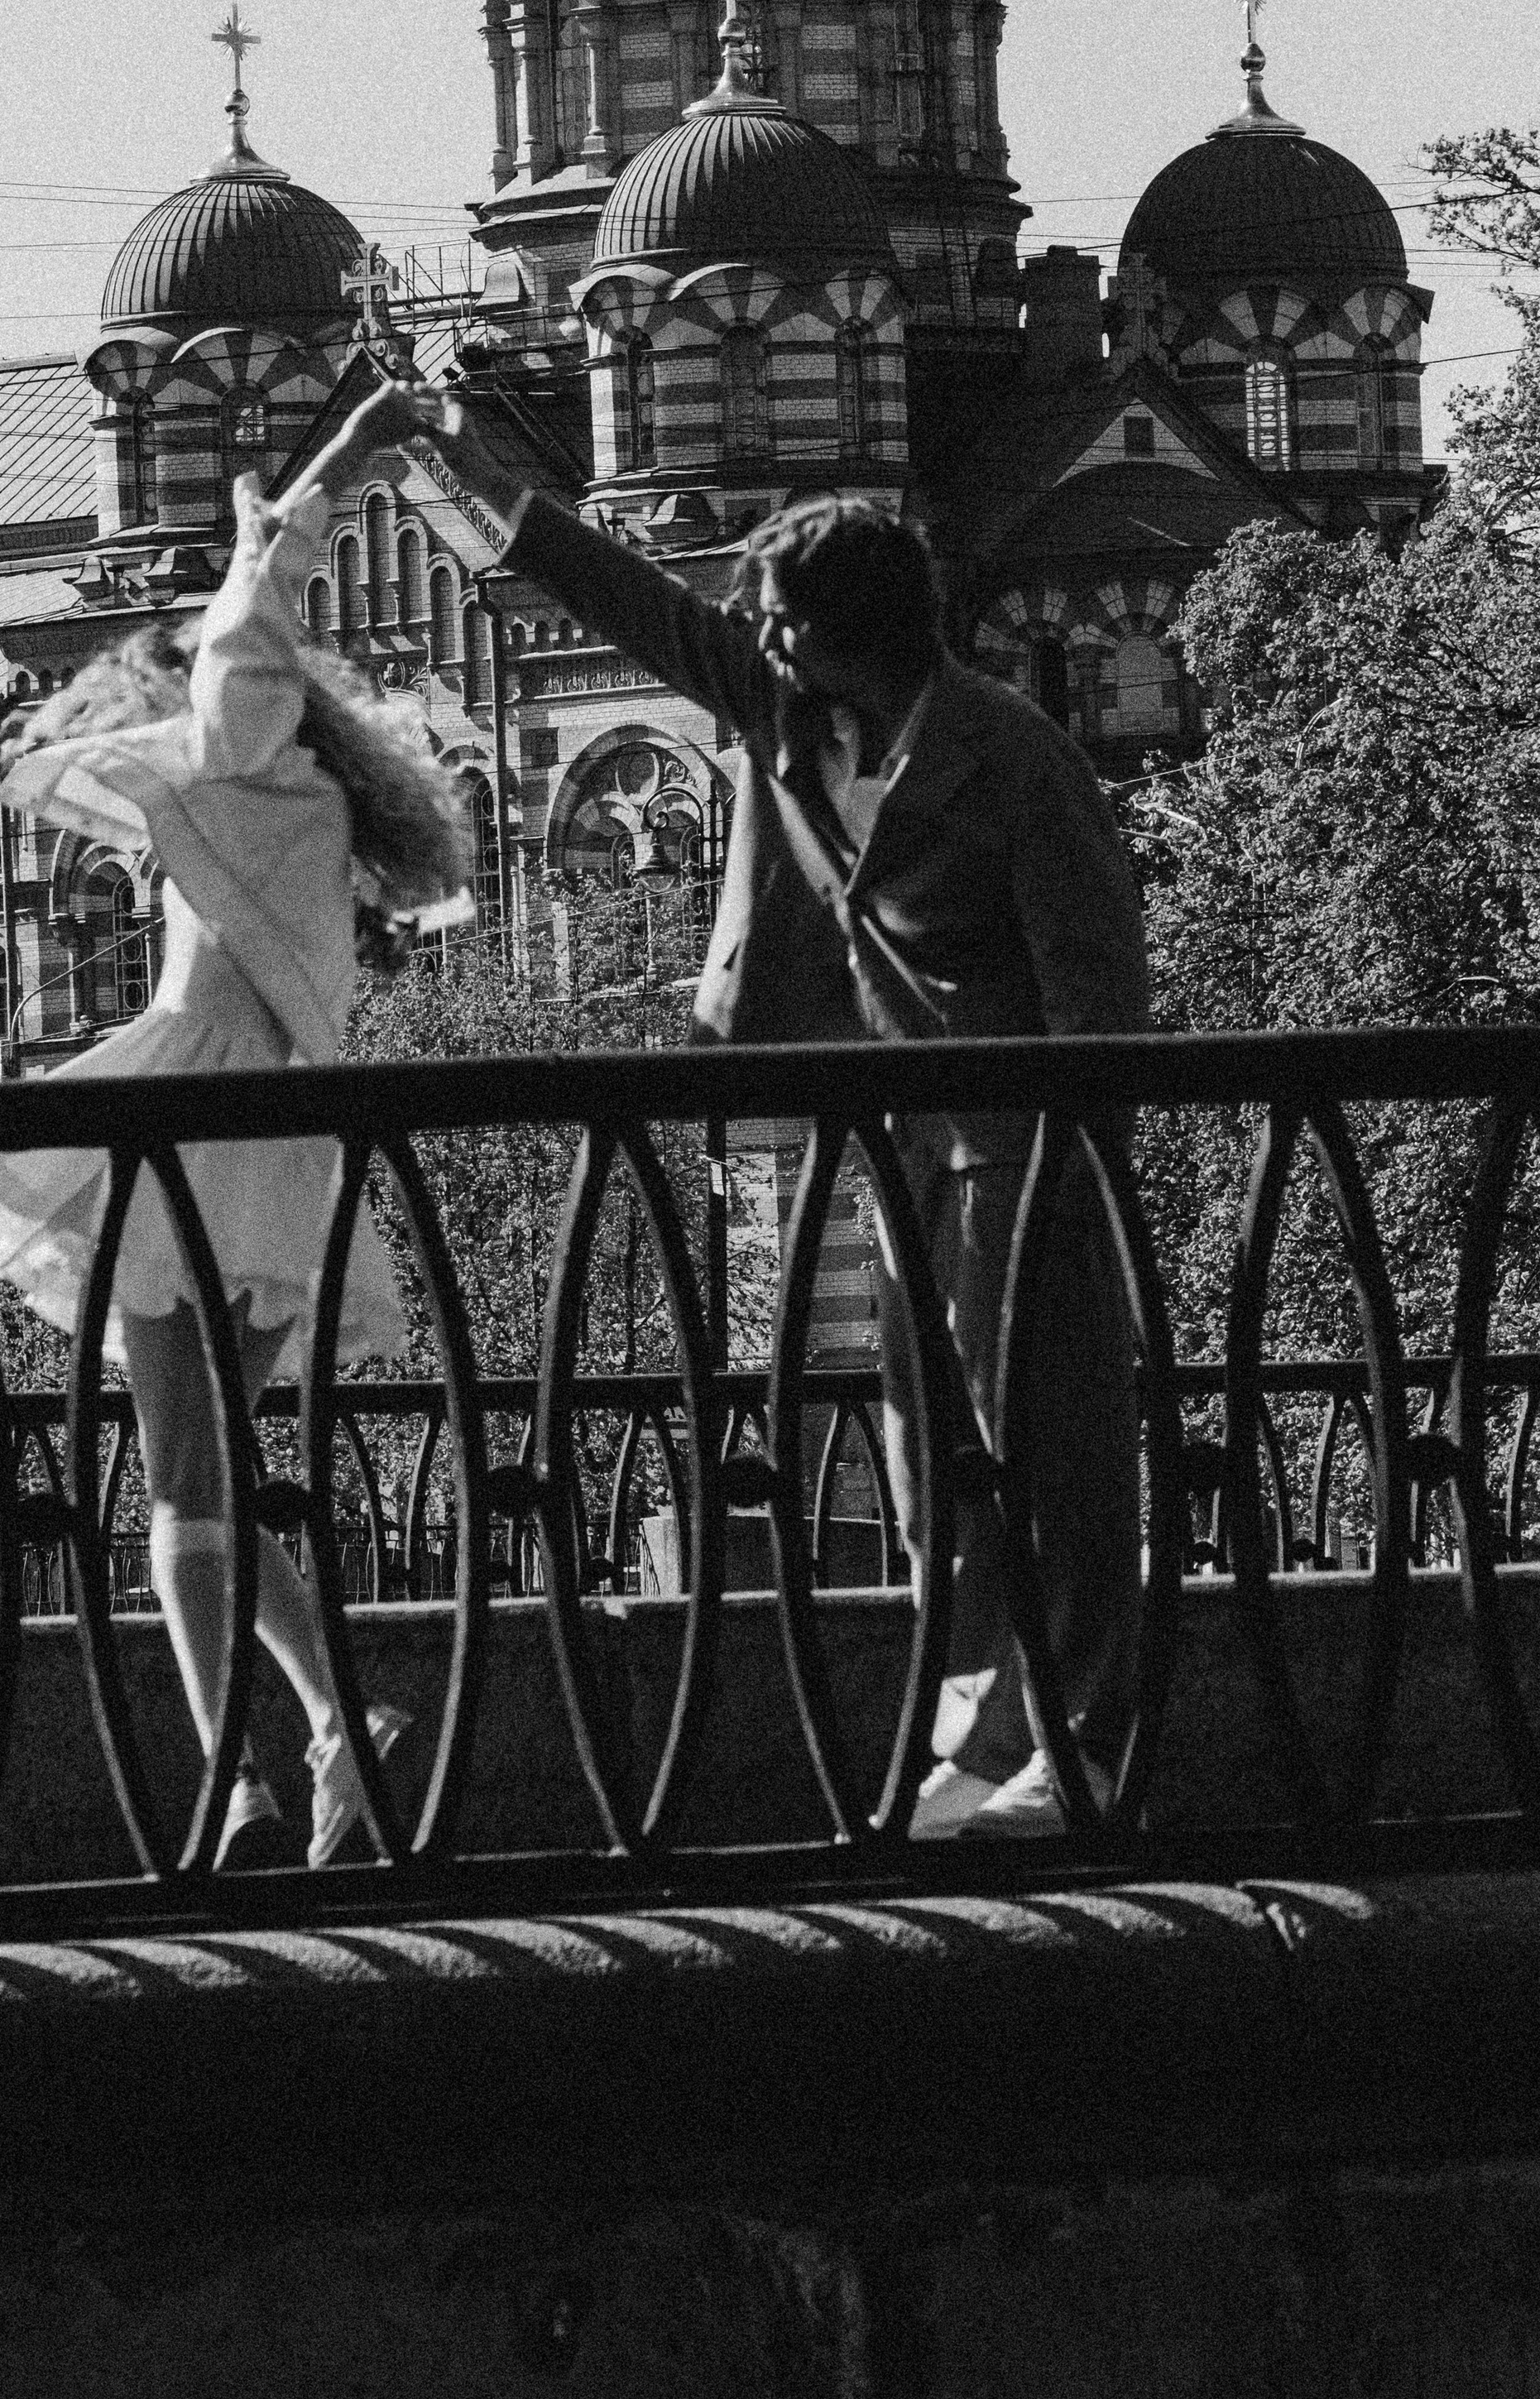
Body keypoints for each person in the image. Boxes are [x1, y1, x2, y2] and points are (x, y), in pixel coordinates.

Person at [403, 391, 1151, 1835]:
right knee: (933, 1454)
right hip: (898, 1155)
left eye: (779, 619)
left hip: (1021, 1150)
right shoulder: (800, 725)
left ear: (837, 627)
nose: (760, 641)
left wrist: (1078, 1165)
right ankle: (981, 1731)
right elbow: (639, 608)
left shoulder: (1011, 756)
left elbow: (1099, 990)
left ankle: (1086, 1751)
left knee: (1052, 1454)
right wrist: (462, 458)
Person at [0, 379, 467, 1869]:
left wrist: (338, 464)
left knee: (180, 1483)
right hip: (285, 1148)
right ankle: (327, 1728)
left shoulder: (242, 748)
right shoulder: (300, 797)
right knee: (220, 1472)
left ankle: (239, 1781)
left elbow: (254, 606)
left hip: (186, 1131)